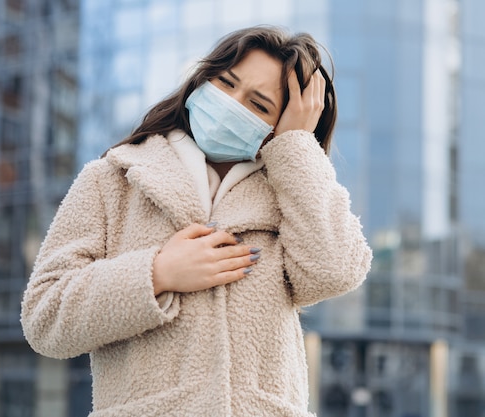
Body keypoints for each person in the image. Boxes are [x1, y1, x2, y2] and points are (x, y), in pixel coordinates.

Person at [21, 25, 372, 417]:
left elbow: (335, 272)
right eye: (225, 82)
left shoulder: (293, 195)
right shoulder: (113, 179)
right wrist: (156, 274)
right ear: (202, 79)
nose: (231, 103)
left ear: (280, 126)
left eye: (257, 105)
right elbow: (44, 317)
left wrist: (297, 149)